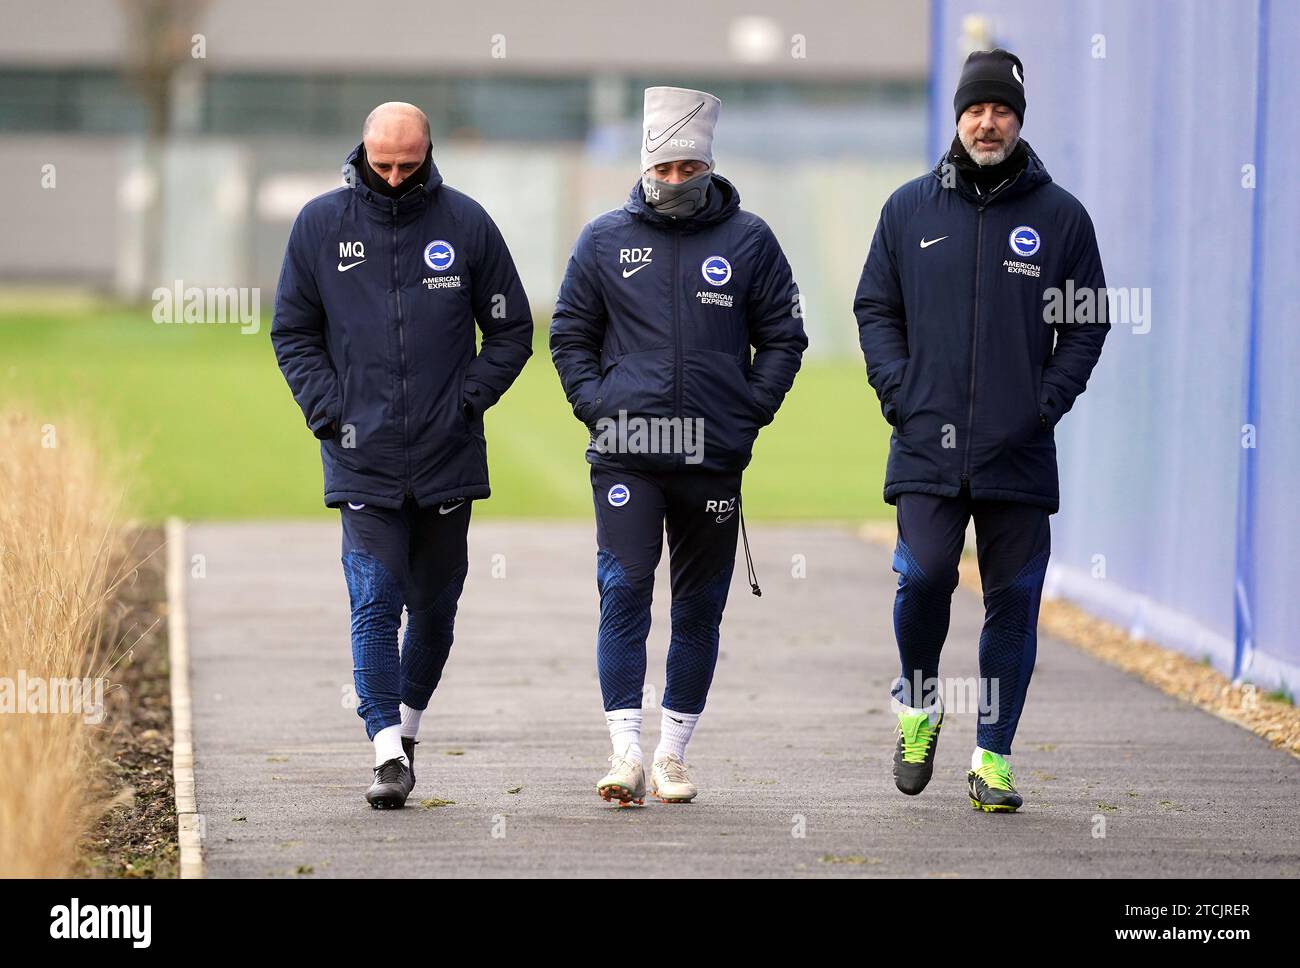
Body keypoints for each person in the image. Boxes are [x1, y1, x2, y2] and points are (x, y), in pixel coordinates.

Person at [855, 50, 1109, 812]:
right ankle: (919, 706)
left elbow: (1088, 324)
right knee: (925, 576)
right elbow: (876, 309)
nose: (987, 122)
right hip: (925, 441)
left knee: (1015, 602)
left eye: (1001, 110)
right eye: (975, 109)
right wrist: (899, 390)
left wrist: (1043, 404)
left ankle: (992, 759)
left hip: (1019, 450)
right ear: (958, 117)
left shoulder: (1061, 218)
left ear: (1019, 120)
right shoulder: (908, 210)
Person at [271, 102, 532, 809]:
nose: (392, 178)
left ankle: (408, 728)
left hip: (448, 454)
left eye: (406, 165)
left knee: (437, 612)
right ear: (362, 149)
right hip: (362, 455)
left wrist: (468, 399)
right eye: (381, 163)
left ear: (427, 154)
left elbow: (512, 330)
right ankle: (386, 751)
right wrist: (330, 412)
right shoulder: (320, 226)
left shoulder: (467, 224)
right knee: (375, 600)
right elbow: (292, 331)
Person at [551, 86, 807, 805]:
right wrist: (599, 407)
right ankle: (624, 751)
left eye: (687, 167)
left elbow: (785, 337)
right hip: (628, 453)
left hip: (712, 459)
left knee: (698, 607)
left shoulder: (750, 240)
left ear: (708, 165)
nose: (674, 181)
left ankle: (673, 755)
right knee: (625, 589)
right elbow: (569, 335)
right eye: (662, 169)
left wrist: (748, 411)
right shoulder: (603, 239)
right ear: (645, 165)